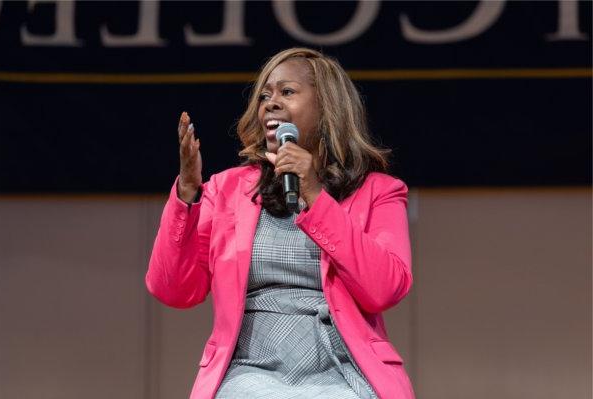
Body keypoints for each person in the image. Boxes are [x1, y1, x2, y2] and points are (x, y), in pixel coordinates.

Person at [145, 47, 415, 399]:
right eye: (264, 96)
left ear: (327, 108)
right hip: (249, 371)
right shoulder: (227, 190)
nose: (270, 103)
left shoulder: (378, 191)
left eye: (287, 92)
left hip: (343, 370)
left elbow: (385, 288)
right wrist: (187, 194)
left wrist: (315, 195)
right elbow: (174, 290)